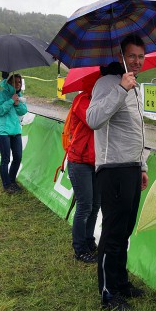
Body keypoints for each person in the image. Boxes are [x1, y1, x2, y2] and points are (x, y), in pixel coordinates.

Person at [86, 34, 149, 311]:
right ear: (120, 55)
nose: (137, 61)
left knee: (124, 232)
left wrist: (142, 165)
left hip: (132, 169)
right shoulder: (107, 83)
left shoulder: (135, 87)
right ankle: (108, 292)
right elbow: (93, 119)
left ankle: (121, 283)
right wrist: (120, 89)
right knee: (112, 233)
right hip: (113, 170)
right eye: (132, 55)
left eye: (140, 56)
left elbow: (137, 130)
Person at [64, 89, 101, 263]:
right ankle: (79, 249)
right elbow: (93, 121)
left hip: (96, 162)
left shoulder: (99, 100)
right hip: (79, 162)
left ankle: (88, 240)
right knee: (85, 206)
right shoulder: (82, 100)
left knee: (95, 205)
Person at [0, 73, 27, 194]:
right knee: (6, 159)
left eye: (20, 82)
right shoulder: (1, 94)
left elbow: (24, 110)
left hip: (15, 131)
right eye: (15, 82)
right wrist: (10, 101)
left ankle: (12, 181)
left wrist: (17, 103)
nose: (18, 84)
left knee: (18, 157)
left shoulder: (19, 96)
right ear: (9, 83)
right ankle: (7, 185)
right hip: (2, 131)